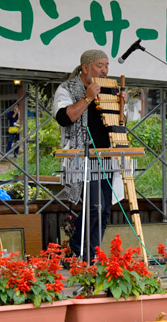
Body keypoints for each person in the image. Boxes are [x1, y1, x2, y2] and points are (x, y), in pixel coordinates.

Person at [53, 49, 126, 261]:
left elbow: (119, 126)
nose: (104, 70)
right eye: (99, 66)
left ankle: (92, 256)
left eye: (107, 65)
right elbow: (64, 118)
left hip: (105, 157)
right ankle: (78, 248)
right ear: (86, 68)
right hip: (81, 157)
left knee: (104, 211)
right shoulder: (67, 88)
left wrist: (122, 107)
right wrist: (87, 97)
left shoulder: (108, 90)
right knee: (94, 207)